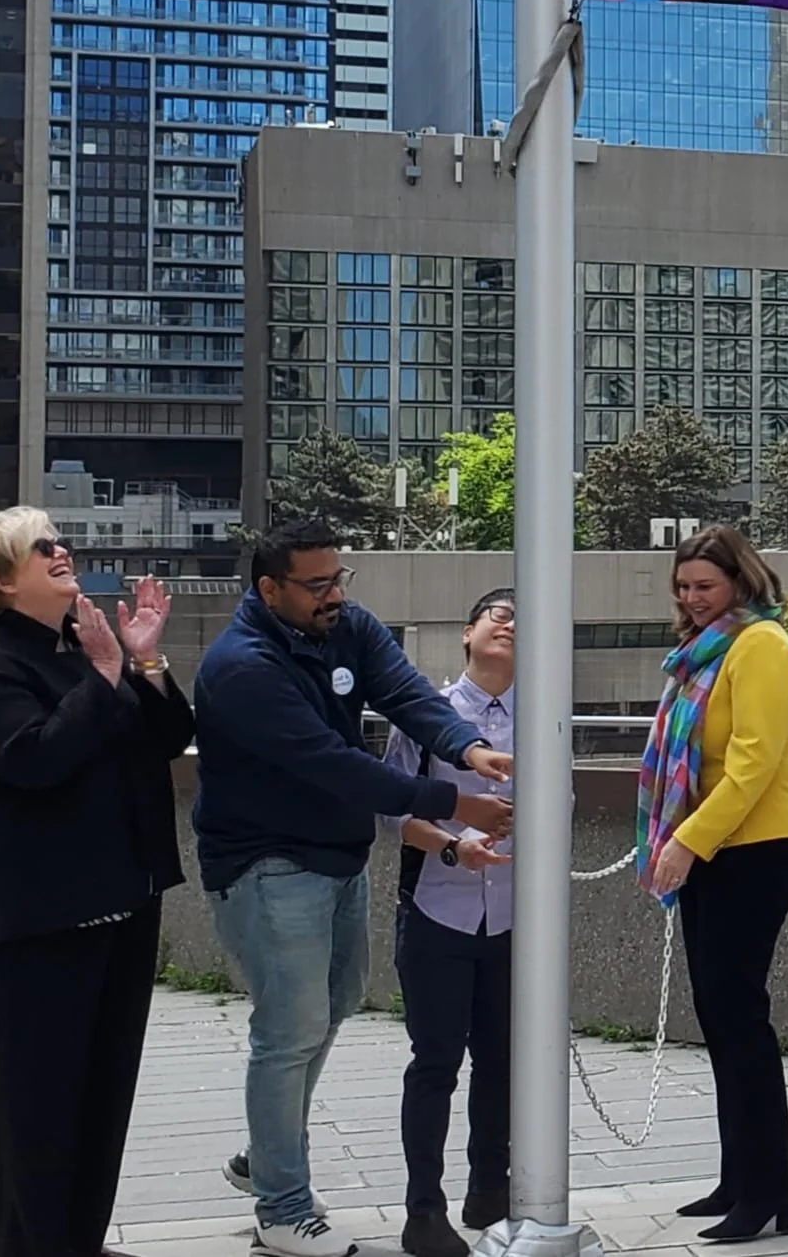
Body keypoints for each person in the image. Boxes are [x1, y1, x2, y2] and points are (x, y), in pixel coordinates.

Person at [195, 519, 515, 1257]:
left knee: (332, 1007)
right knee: (290, 1028)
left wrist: (465, 746)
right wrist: (452, 802)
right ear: (269, 587)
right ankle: (282, 1205)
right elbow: (336, 764)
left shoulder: (350, 626)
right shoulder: (242, 666)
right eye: (317, 585)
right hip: (266, 861)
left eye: (340, 577)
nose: (335, 595)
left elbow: (405, 692)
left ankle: (265, 1152)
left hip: (336, 856)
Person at [0, 507, 194, 1257]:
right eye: (42, 546)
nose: (63, 551)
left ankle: (77, 1239)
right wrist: (108, 674)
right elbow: (39, 759)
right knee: (35, 1106)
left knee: (100, 1094)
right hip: (36, 920)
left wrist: (145, 663)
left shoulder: (94, 655)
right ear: (1, 579)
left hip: (119, 901)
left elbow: (167, 738)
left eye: (61, 541)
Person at [640, 526, 788, 1245]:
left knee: (740, 1015)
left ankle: (770, 1191)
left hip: (764, 842)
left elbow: (752, 765)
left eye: (704, 586)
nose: (691, 597)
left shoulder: (762, 646)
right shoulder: (702, 654)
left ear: (740, 582)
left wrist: (684, 841)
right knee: (719, 1015)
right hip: (719, 842)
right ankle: (739, 1175)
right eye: (682, 586)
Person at [380, 588, 520, 1257]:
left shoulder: (543, 716)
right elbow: (390, 810)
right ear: (467, 633)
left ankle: (491, 1187)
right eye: (499, 615)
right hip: (438, 906)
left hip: (516, 917)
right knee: (435, 1062)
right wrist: (452, 842)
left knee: (501, 1061)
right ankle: (423, 1209)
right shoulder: (428, 714)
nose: (512, 625)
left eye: (525, 619)